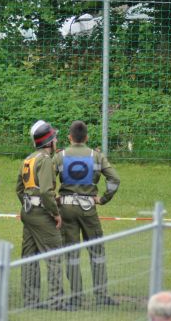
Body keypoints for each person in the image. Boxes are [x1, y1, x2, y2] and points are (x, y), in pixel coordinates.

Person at [53, 120, 121, 308]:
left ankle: (76, 298)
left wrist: (54, 198)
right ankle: (101, 295)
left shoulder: (60, 156)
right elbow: (115, 179)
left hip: (66, 208)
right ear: (87, 137)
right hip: (89, 208)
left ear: (70, 137)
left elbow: (47, 181)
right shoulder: (96, 156)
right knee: (97, 252)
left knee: (72, 254)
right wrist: (104, 199)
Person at [16, 120, 68, 311]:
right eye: (54, 138)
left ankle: (31, 300)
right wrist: (55, 213)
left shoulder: (28, 159)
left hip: (28, 211)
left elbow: (19, 189)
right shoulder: (45, 160)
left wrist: (29, 203)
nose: (56, 141)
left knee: (29, 257)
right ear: (49, 141)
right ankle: (56, 301)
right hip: (41, 213)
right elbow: (46, 191)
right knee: (54, 254)